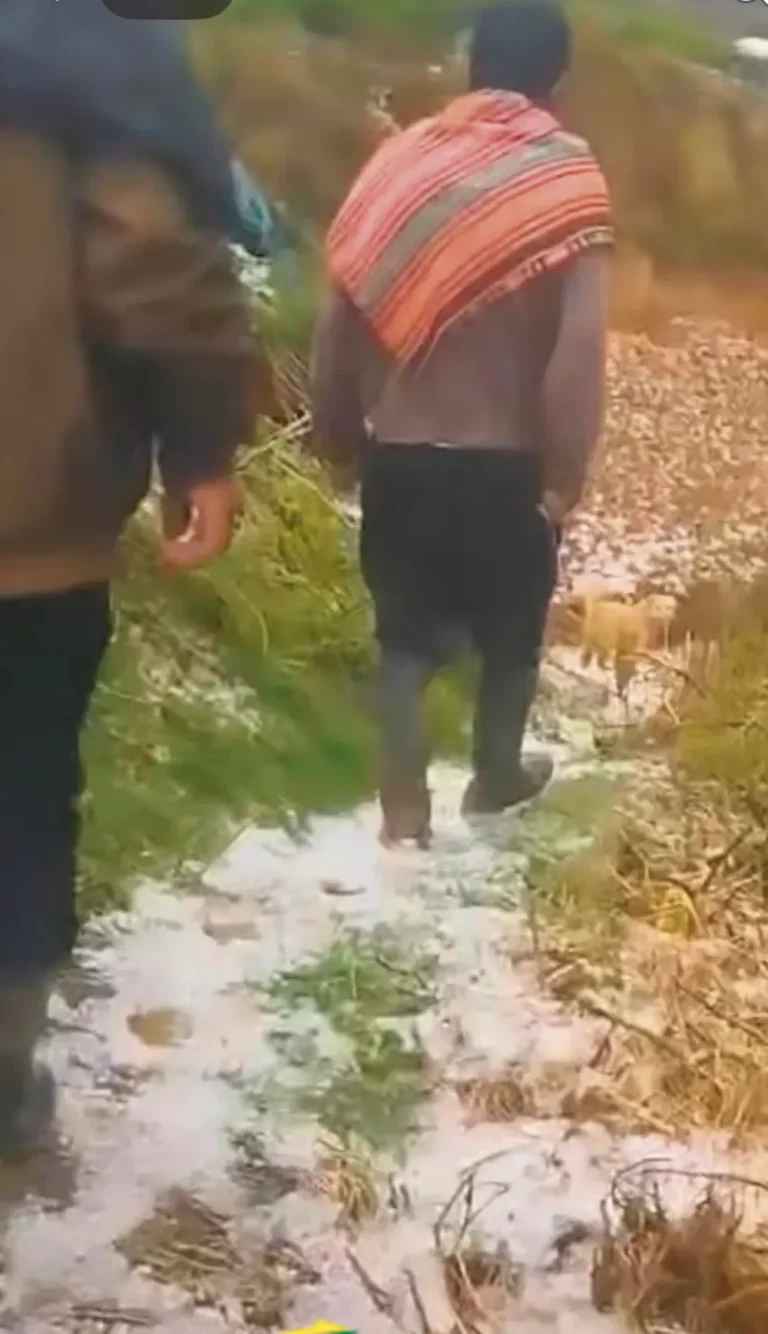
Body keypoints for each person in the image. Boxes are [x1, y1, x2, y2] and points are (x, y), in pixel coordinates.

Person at [0, 0, 261, 1152]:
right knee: (17, 794)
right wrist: (200, 447)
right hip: (24, 536)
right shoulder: (87, 60)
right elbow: (154, 270)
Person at [312, 0, 612, 847]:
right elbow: (579, 348)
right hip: (506, 464)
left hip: (402, 453)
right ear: (559, 82)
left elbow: (338, 313)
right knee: (512, 637)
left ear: (471, 66)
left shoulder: (398, 167)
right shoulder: (567, 184)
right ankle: (495, 774)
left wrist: (337, 434)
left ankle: (403, 810)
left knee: (404, 642)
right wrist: (564, 477)